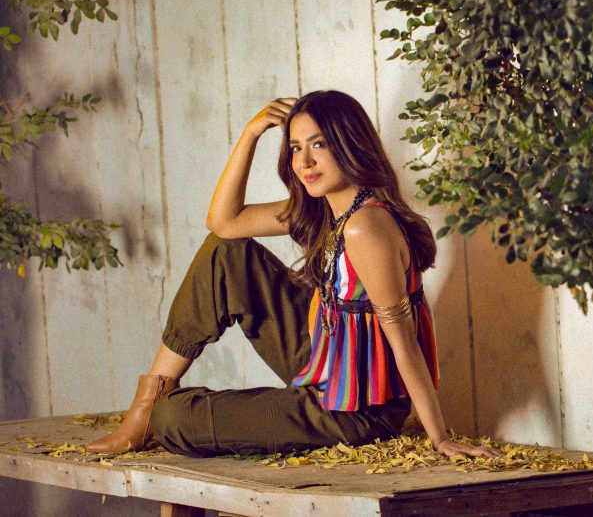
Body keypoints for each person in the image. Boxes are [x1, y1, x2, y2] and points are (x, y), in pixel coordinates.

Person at [87, 90, 497, 460]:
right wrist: (250, 134)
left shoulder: (365, 227)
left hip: (358, 408)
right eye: (296, 148)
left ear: (350, 144)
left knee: (173, 419)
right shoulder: (326, 211)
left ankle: (156, 414)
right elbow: (223, 223)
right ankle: (145, 405)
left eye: (318, 144)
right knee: (225, 251)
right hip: (325, 359)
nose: (304, 162)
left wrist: (439, 438)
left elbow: (404, 340)